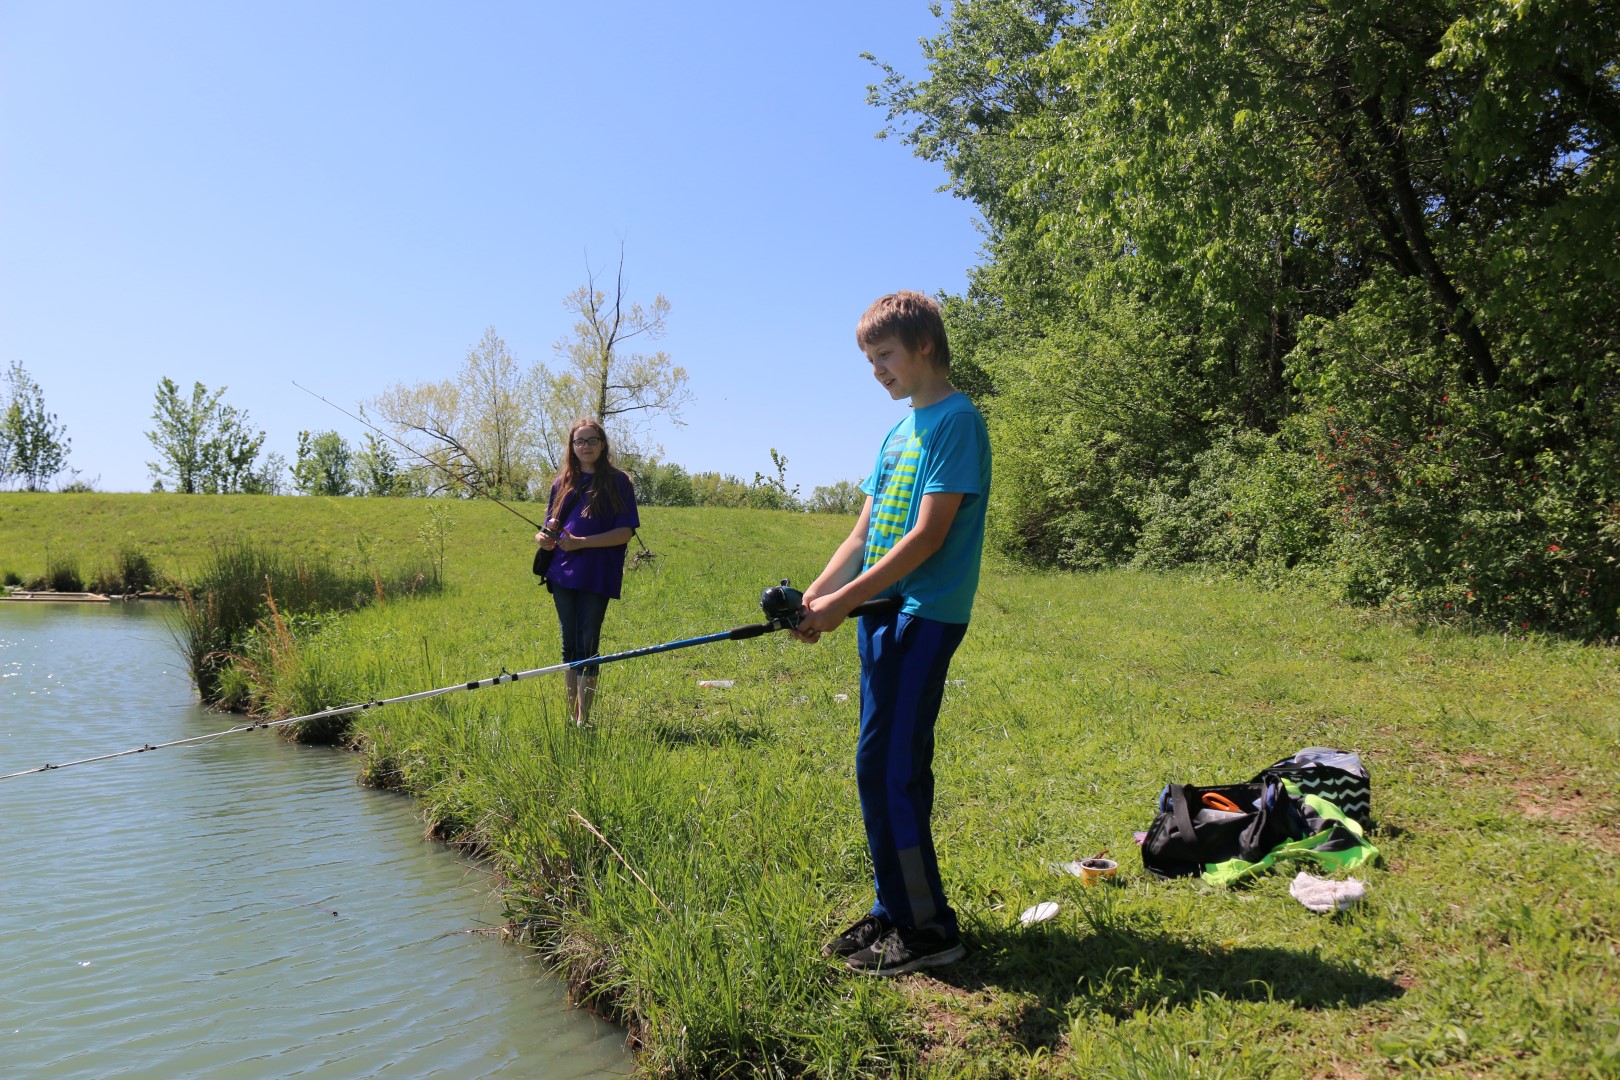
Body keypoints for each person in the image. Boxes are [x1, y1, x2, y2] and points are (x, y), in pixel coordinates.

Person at [791, 290, 991, 976]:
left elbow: (927, 537)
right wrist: (816, 595)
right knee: (878, 767)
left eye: (885, 356)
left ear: (924, 346)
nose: (876, 370)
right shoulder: (897, 432)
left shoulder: (957, 422)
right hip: (879, 613)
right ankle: (895, 905)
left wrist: (842, 602)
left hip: (922, 615)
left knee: (892, 769)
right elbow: (863, 534)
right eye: (870, 360)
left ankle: (928, 930)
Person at [535, 418, 640, 726]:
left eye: (592, 440)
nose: (586, 446)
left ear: (603, 444)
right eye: (579, 441)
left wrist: (581, 542)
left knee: (588, 643)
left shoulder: (618, 482)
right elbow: (548, 527)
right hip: (562, 572)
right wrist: (543, 538)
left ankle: (585, 718)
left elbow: (624, 533)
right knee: (569, 644)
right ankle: (572, 717)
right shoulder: (562, 482)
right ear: (572, 447)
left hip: (597, 573)